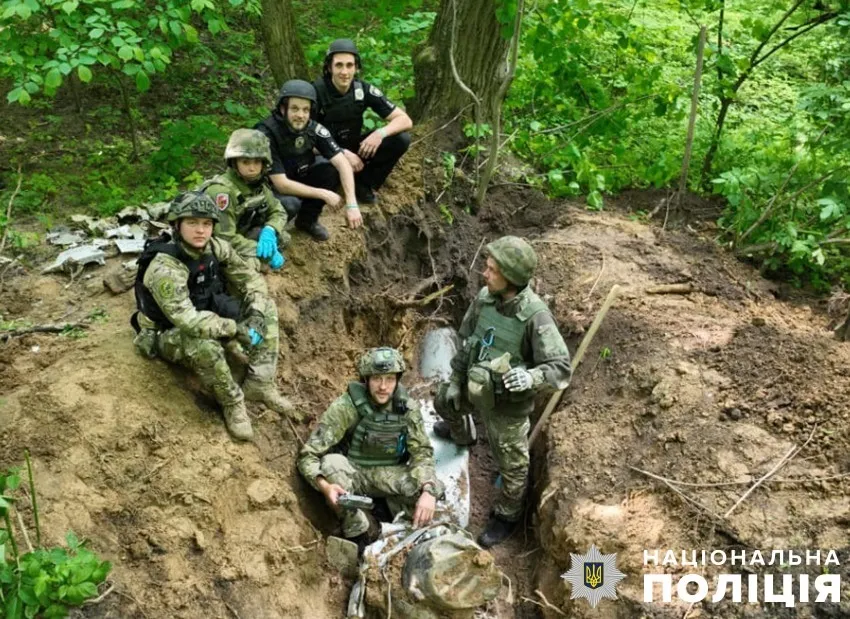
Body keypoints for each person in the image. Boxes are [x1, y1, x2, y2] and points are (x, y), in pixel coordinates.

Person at [432, 236, 572, 548]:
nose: (485, 273)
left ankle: (506, 515)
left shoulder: (535, 316)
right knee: (443, 400)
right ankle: (462, 434)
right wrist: (456, 380)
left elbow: (561, 367)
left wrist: (530, 377)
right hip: (475, 382)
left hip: (507, 406)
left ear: (511, 277)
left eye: (493, 270)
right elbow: (467, 342)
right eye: (487, 267)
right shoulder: (484, 299)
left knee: (513, 466)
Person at [131, 191, 294, 441]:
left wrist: (257, 315)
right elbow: (188, 320)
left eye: (206, 223)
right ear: (177, 225)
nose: (200, 230)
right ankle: (232, 402)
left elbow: (250, 279)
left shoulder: (215, 247)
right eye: (192, 223)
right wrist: (234, 329)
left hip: (209, 311)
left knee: (267, 308)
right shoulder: (165, 266)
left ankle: (259, 383)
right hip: (169, 333)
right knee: (204, 345)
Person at [297, 347, 442, 547]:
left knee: (428, 488)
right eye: (377, 379)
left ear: (397, 380)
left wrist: (429, 491)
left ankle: (397, 521)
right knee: (331, 464)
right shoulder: (345, 407)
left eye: (390, 379)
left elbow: (422, 453)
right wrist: (325, 486)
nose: (383, 387)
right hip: (353, 473)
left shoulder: (407, 409)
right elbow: (308, 455)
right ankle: (361, 532)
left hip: (389, 475)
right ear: (366, 380)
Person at [256, 79, 362, 242]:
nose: (301, 115)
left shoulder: (314, 129)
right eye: (295, 109)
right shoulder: (266, 133)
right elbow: (282, 184)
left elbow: (342, 163)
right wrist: (323, 193)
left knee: (330, 170)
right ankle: (262, 232)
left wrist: (352, 204)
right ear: (283, 108)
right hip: (269, 188)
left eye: (306, 110)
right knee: (290, 204)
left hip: (297, 173)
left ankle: (307, 221)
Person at [313, 38, 413, 204]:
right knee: (325, 170)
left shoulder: (363, 89)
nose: (344, 72)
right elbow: (305, 139)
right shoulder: (315, 92)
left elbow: (405, 120)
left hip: (355, 149)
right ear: (329, 67)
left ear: (356, 67)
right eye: (339, 65)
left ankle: (364, 184)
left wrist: (380, 133)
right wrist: (341, 153)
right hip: (326, 153)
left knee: (401, 139)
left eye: (349, 65)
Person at [200, 128, 290, 272]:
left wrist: (270, 229)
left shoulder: (258, 185)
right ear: (234, 163)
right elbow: (225, 238)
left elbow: (278, 211)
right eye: (245, 162)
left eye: (257, 162)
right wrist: (259, 250)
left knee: (283, 238)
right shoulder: (222, 193)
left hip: (240, 232)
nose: (252, 168)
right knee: (250, 265)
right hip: (212, 242)